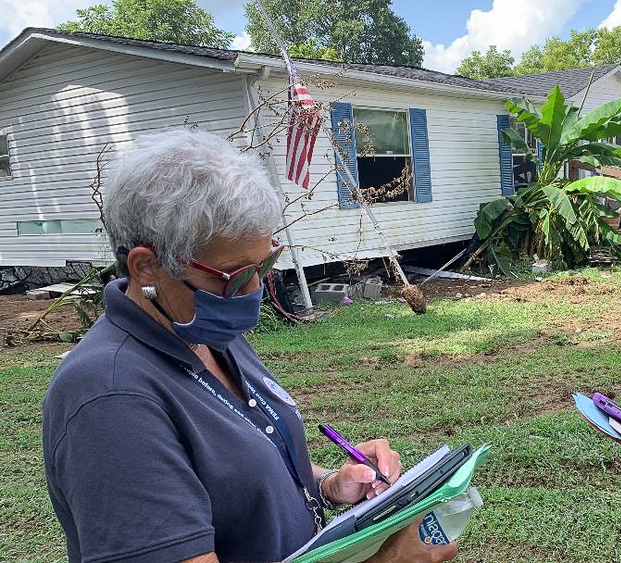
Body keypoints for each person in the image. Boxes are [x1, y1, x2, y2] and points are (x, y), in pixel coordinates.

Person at [42, 128, 458, 563]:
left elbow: (237, 481)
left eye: (265, 264)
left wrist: (328, 484)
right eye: (235, 276)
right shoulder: (109, 398)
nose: (256, 289)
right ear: (147, 267)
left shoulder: (204, 332)